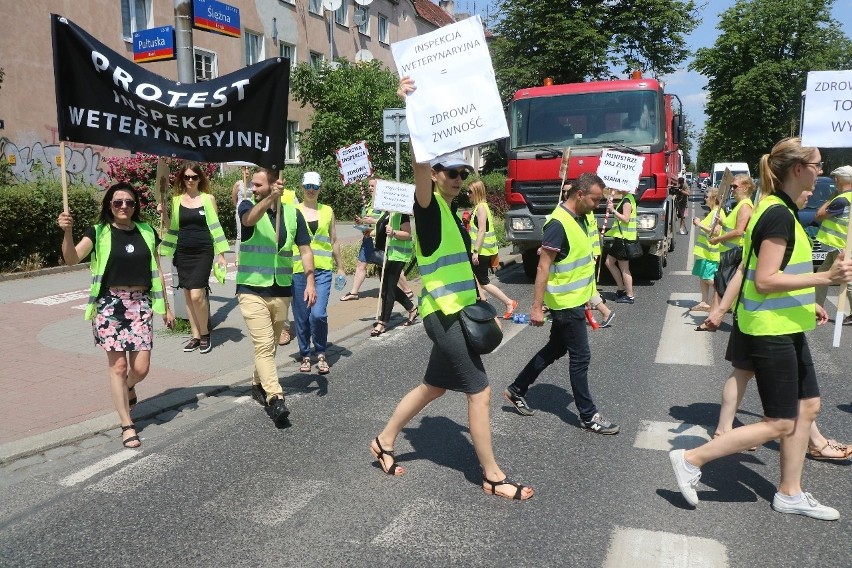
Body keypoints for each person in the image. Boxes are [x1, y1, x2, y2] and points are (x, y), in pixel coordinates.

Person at [669, 137, 852, 520]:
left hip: (785, 324)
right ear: (798, 170)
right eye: (817, 165)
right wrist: (824, 278)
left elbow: (760, 272)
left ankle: (790, 492)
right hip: (769, 329)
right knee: (782, 421)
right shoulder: (778, 214)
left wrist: (807, 304)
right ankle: (690, 459)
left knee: (809, 408)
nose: (822, 171)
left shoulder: (778, 208)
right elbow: (766, 279)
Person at [370, 74, 533, 501]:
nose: (459, 177)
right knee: (479, 391)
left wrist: (480, 290)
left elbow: (460, 263)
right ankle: (493, 476)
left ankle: (384, 440)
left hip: (457, 308)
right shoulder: (426, 206)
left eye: (464, 172)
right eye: (453, 171)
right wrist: (411, 109)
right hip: (442, 314)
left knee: (434, 387)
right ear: (437, 174)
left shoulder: (449, 211)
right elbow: (420, 165)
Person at [58, 183, 174, 448]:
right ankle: (127, 424)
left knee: (141, 369)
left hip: (141, 304)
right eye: (118, 202)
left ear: (136, 206)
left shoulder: (146, 231)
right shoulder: (98, 232)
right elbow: (71, 258)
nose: (123, 207)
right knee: (118, 367)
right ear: (109, 205)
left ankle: (129, 387)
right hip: (111, 305)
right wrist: (67, 233)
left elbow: (157, 269)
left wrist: (166, 306)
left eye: (129, 202)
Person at [503, 173, 620, 435]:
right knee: (581, 357)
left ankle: (516, 389)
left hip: (576, 300)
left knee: (555, 348)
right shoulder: (558, 223)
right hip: (566, 304)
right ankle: (589, 416)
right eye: (594, 199)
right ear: (579, 195)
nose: (597, 204)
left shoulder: (579, 218)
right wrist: (536, 306)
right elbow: (543, 267)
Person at [237, 168, 317, 427]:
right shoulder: (248, 205)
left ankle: (257, 383)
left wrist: (310, 281)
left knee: (269, 346)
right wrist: (267, 199)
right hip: (251, 288)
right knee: (263, 345)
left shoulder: (293, 214)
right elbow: (248, 221)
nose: (254, 188)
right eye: (255, 185)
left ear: (274, 184)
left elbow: (305, 250)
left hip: (282, 289)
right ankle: (275, 398)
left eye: (259, 185)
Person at [159, 162, 228, 354]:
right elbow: (172, 226)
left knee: (198, 294)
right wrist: (163, 214)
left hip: (203, 251)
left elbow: (216, 227)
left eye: (194, 177)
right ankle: (195, 335)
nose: (190, 180)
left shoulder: (208, 199)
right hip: (183, 251)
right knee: (188, 295)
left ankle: (205, 334)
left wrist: (221, 255)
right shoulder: (175, 200)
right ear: (182, 179)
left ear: (200, 179)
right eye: (187, 177)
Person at [291, 172, 346, 374]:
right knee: (302, 316)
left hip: (322, 270)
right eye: (308, 186)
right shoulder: (293, 210)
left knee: (318, 314)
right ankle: (305, 355)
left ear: (320, 188)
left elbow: (333, 241)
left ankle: (321, 352)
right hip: (298, 271)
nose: (311, 190)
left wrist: (340, 267)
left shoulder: (327, 210)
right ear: (302, 187)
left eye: (315, 186)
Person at [695, 175, 756, 331]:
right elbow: (733, 225)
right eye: (732, 186)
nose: (732, 190)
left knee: (722, 288)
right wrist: (722, 222)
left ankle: (714, 320)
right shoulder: (740, 204)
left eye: (735, 187)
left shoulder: (744, 205)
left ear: (746, 187)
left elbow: (738, 231)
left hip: (733, 253)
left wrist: (718, 239)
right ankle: (712, 320)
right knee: (719, 287)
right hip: (729, 252)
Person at [467, 180, 517, 319]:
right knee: (476, 279)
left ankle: (508, 302)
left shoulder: (481, 207)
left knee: (483, 282)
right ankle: (483, 301)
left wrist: (476, 251)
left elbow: (482, 230)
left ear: (477, 192)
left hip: (482, 252)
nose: (467, 194)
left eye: (470, 191)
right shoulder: (479, 207)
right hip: (481, 251)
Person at [814, 165, 852, 325]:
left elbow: (819, 215)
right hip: (838, 246)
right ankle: (816, 307)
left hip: (840, 246)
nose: (834, 181)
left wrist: (831, 196)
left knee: (848, 281)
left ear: (839, 179)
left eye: (835, 178)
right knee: (822, 275)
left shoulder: (841, 199)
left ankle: (816, 307)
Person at [371, 209, 419, 336]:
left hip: (396, 256)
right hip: (384, 256)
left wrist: (394, 232)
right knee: (386, 286)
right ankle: (411, 308)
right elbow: (381, 232)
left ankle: (382, 322)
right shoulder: (386, 212)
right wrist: (370, 233)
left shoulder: (401, 213)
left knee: (387, 289)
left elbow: (407, 234)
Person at [689, 188, 725, 312]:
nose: (705, 198)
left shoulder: (716, 213)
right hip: (705, 252)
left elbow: (716, 232)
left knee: (707, 277)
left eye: (707, 196)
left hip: (711, 252)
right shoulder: (713, 212)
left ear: (714, 199)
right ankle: (704, 302)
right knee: (702, 276)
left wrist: (699, 224)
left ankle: (726, 294)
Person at [604, 188, 637, 303]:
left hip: (624, 238)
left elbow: (626, 219)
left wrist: (613, 210)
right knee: (609, 262)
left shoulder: (627, 200)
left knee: (624, 268)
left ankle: (629, 295)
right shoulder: (627, 198)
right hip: (621, 238)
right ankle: (621, 289)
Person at [585, 207, 615, 327]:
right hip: (591, 251)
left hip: (586, 254)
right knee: (587, 286)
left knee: (584, 287)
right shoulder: (586, 209)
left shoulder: (581, 212)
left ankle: (605, 311)